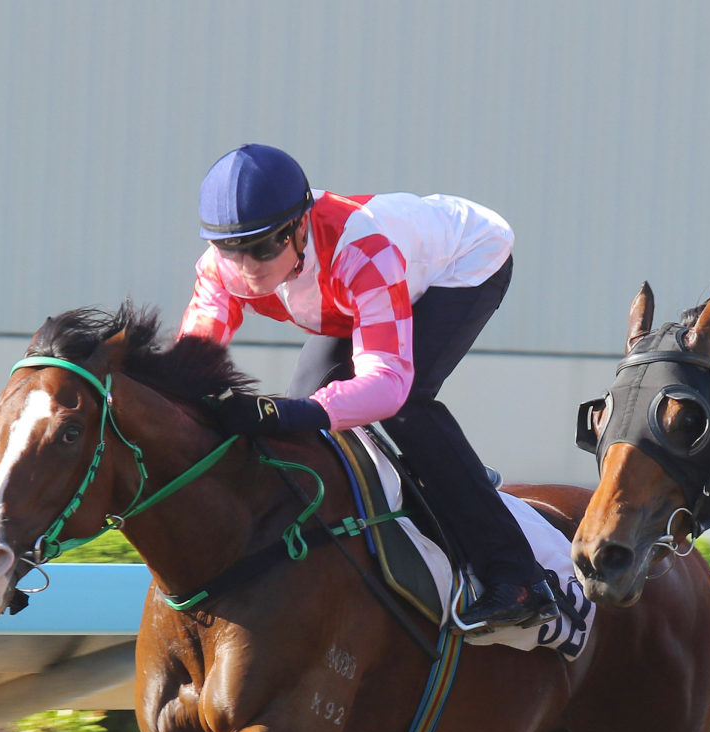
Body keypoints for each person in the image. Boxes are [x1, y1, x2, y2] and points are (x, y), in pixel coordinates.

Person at [180, 143, 552, 629]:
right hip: (352, 298)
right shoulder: (219, 268)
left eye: (264, 247)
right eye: (233, 250)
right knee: (303, 414)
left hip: (463, 264)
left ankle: (518, 577)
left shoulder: (362, 251)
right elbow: (190, 366)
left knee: (403, 407)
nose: (249, 268)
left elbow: (388, 384)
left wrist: (286, 413)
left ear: (299, 226)